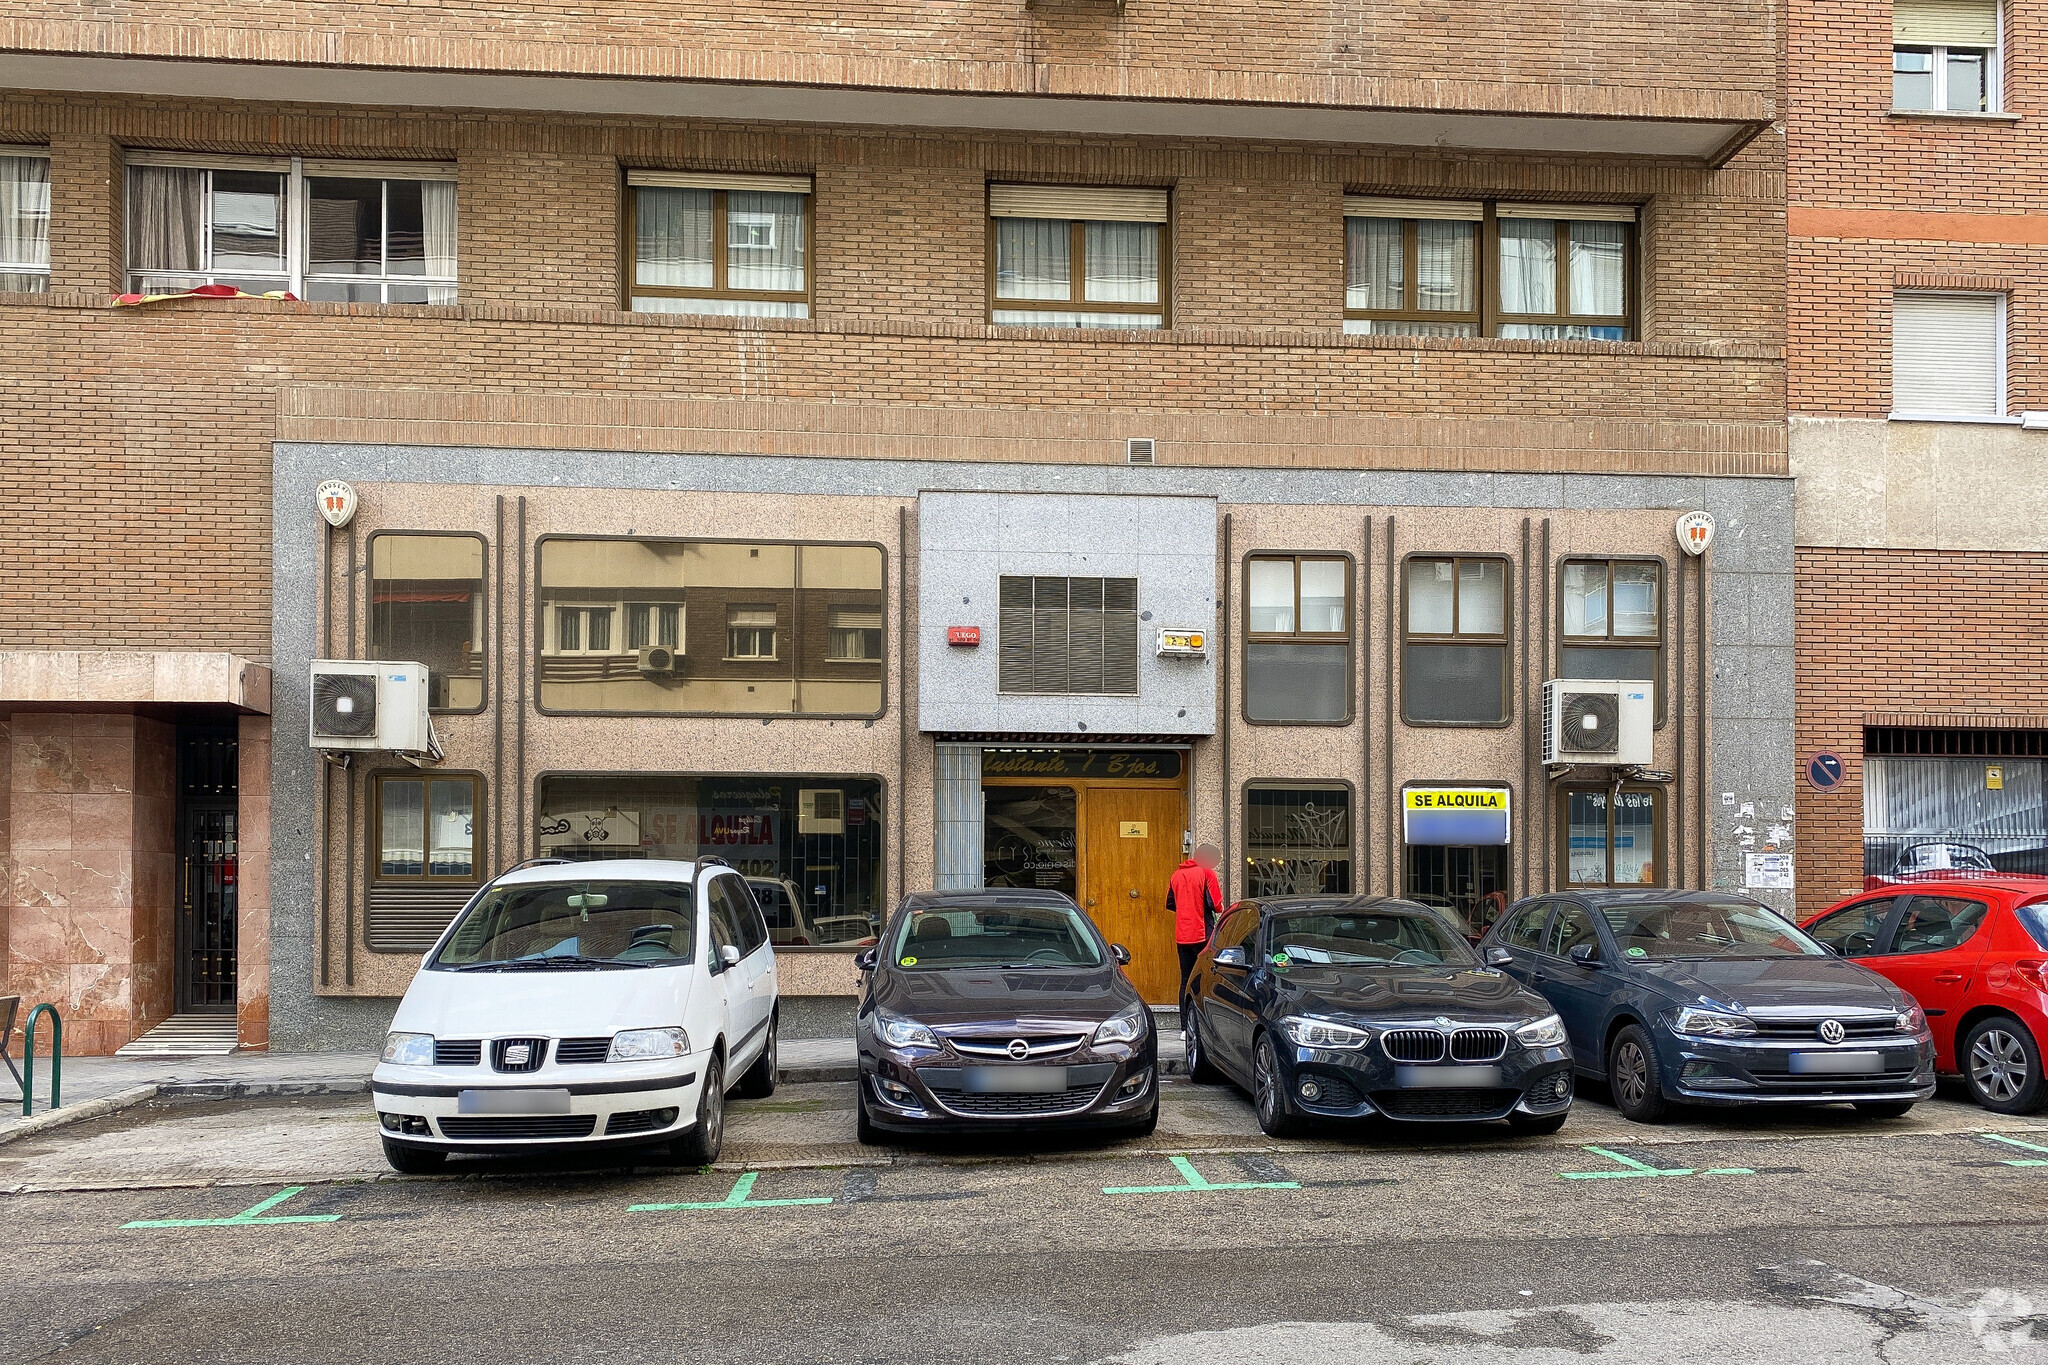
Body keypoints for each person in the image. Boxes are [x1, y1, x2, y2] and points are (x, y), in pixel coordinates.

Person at [1167, 843, 1224, 993]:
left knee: (1186, 978)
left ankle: (1185, 1016)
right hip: (1202, 933)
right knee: (1205, 977)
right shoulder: (1207, 873)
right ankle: (1201, 1015)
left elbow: (1170, 903)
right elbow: (1216, 904)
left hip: (1182, 935)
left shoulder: (1176, 875)